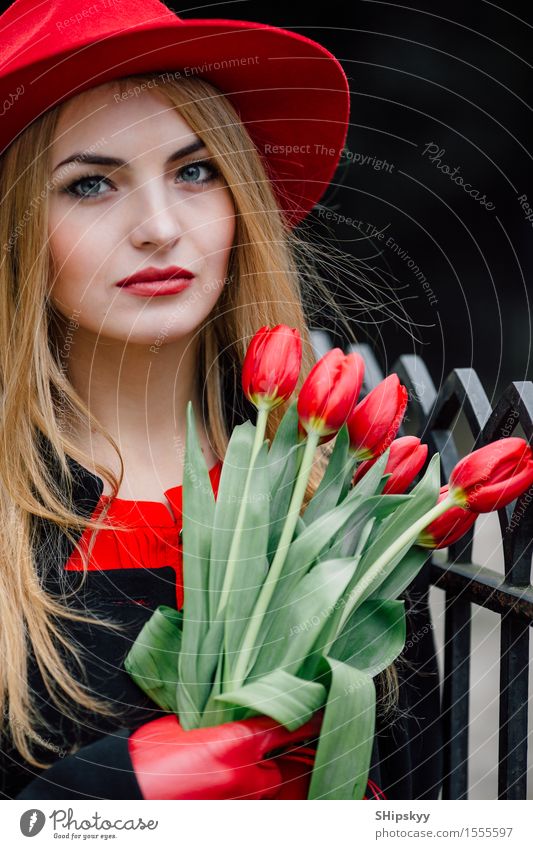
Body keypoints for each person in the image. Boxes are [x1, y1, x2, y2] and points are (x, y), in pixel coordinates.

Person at [0, 0, 442, 800]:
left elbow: (425, 795)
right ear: (15, 228)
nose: (159, 227)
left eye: (194, 170)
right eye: (90, 183)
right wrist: (100, 799)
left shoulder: (338, 498)